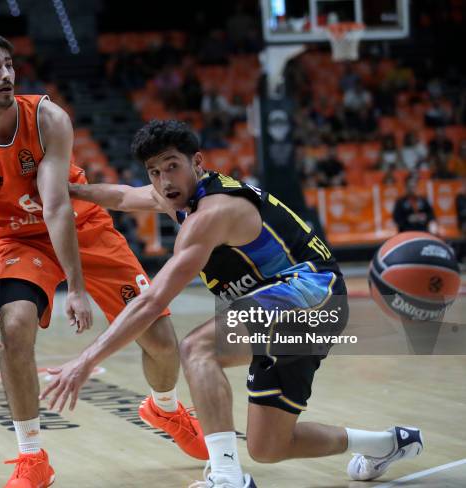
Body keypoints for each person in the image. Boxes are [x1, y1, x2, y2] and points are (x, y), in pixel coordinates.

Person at [44, 120, 424, 488]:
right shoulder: (176, 195)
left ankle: (227, 479)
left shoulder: (212, 214)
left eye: (172, 167)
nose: (163, 181)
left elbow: (152, 302)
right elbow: (125, 196)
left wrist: (85, 361)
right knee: (270, 446)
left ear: (198, 162)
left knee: (197, 347)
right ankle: (388, 443)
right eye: (154, 171)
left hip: (312, 291)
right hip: (297, 306)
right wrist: (71, 191)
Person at [0, 36, 205, 488]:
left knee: (160, 340)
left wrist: (76, 289)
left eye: (8, 64)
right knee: (15, 328)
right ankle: (31, 457)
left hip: (84, 228)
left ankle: (164, 408)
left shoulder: (47, 117)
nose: (5, 74)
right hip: (21, 241)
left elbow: (57, 205)